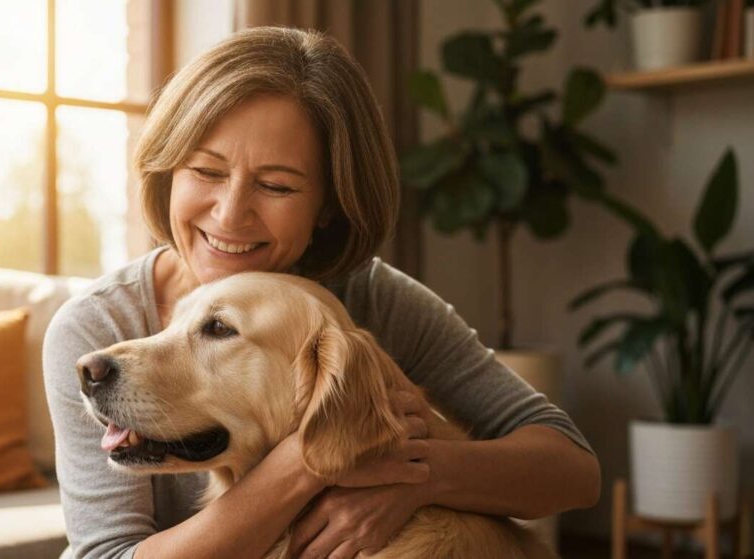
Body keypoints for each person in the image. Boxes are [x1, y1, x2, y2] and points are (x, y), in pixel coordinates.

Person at [42, 26, 600, 559]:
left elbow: (573, 470)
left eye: (276, 185)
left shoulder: (376, 302)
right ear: (169, 171)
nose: (231, 214)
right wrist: (311, 461)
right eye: (206, 171)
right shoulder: (95, 329)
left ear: (330, 203)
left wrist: (413, 479)